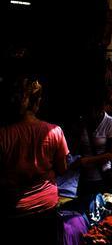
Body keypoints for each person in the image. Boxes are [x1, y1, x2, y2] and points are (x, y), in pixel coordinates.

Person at [0, 76, 70, 242]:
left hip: (15, 208)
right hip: (46, 205)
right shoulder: (55, 131)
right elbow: (62, 169)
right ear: (37, 102)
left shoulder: (4, 134)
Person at [77, 95, 112, 198]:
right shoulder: (83, 122)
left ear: (103, 107)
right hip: (83, 177)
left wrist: (87, 160)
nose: (93, 112)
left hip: (102, 176)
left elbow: (111, 154)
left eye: (96, 109)